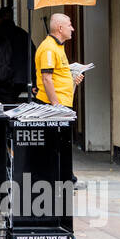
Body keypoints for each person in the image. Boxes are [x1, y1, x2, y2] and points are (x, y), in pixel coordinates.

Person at [35, 11, 84, 185]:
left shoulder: (58, 47)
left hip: (62, 104)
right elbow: (47, 78)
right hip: (54, 107)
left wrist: (73, 79)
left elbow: (57, 75)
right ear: (60, 28)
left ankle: (66, 177)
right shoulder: (49, 48)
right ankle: (63, 179)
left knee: (63, 144)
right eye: (70, 24)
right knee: (57, 145)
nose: (73, 28)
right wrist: (56, 106)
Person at [0, 6, 36, 105]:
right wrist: (33, 79)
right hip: (20, 79)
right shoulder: (23, 34)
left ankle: (5, 119)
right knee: (11, 102)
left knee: (2, 104)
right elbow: (33, 56)